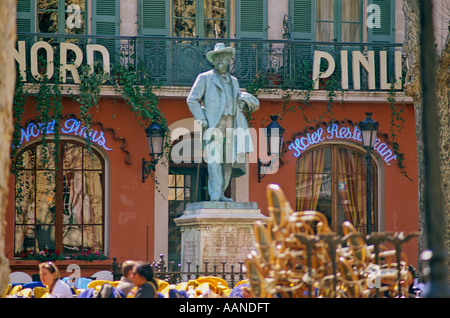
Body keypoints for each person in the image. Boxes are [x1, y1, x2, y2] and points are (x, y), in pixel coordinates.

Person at [186, 43, 259, 201]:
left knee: (227, 162)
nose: (220, 60)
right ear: (213, 60)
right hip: (214, 125)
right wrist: (202, 119)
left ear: (228, 60)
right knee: (214, 160)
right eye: (217, 58)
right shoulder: (204, 78)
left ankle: (221, 193)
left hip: (231, 124)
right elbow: (192, 99)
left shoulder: (234, 81)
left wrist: (243, 103)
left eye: (223, 58)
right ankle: (214, 194)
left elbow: (236, 99)